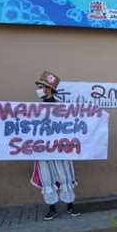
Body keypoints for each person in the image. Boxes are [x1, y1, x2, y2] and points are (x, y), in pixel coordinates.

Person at [30, 71, 80, 220]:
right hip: (43, 149)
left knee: (65, 176)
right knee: (47, 178)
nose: (38, 89)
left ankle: (70, 206)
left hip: (60, 149)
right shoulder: (34, 109)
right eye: (38, 86)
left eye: (41, 86)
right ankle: (51, 208)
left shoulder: (61, 108)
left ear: (49, 89)